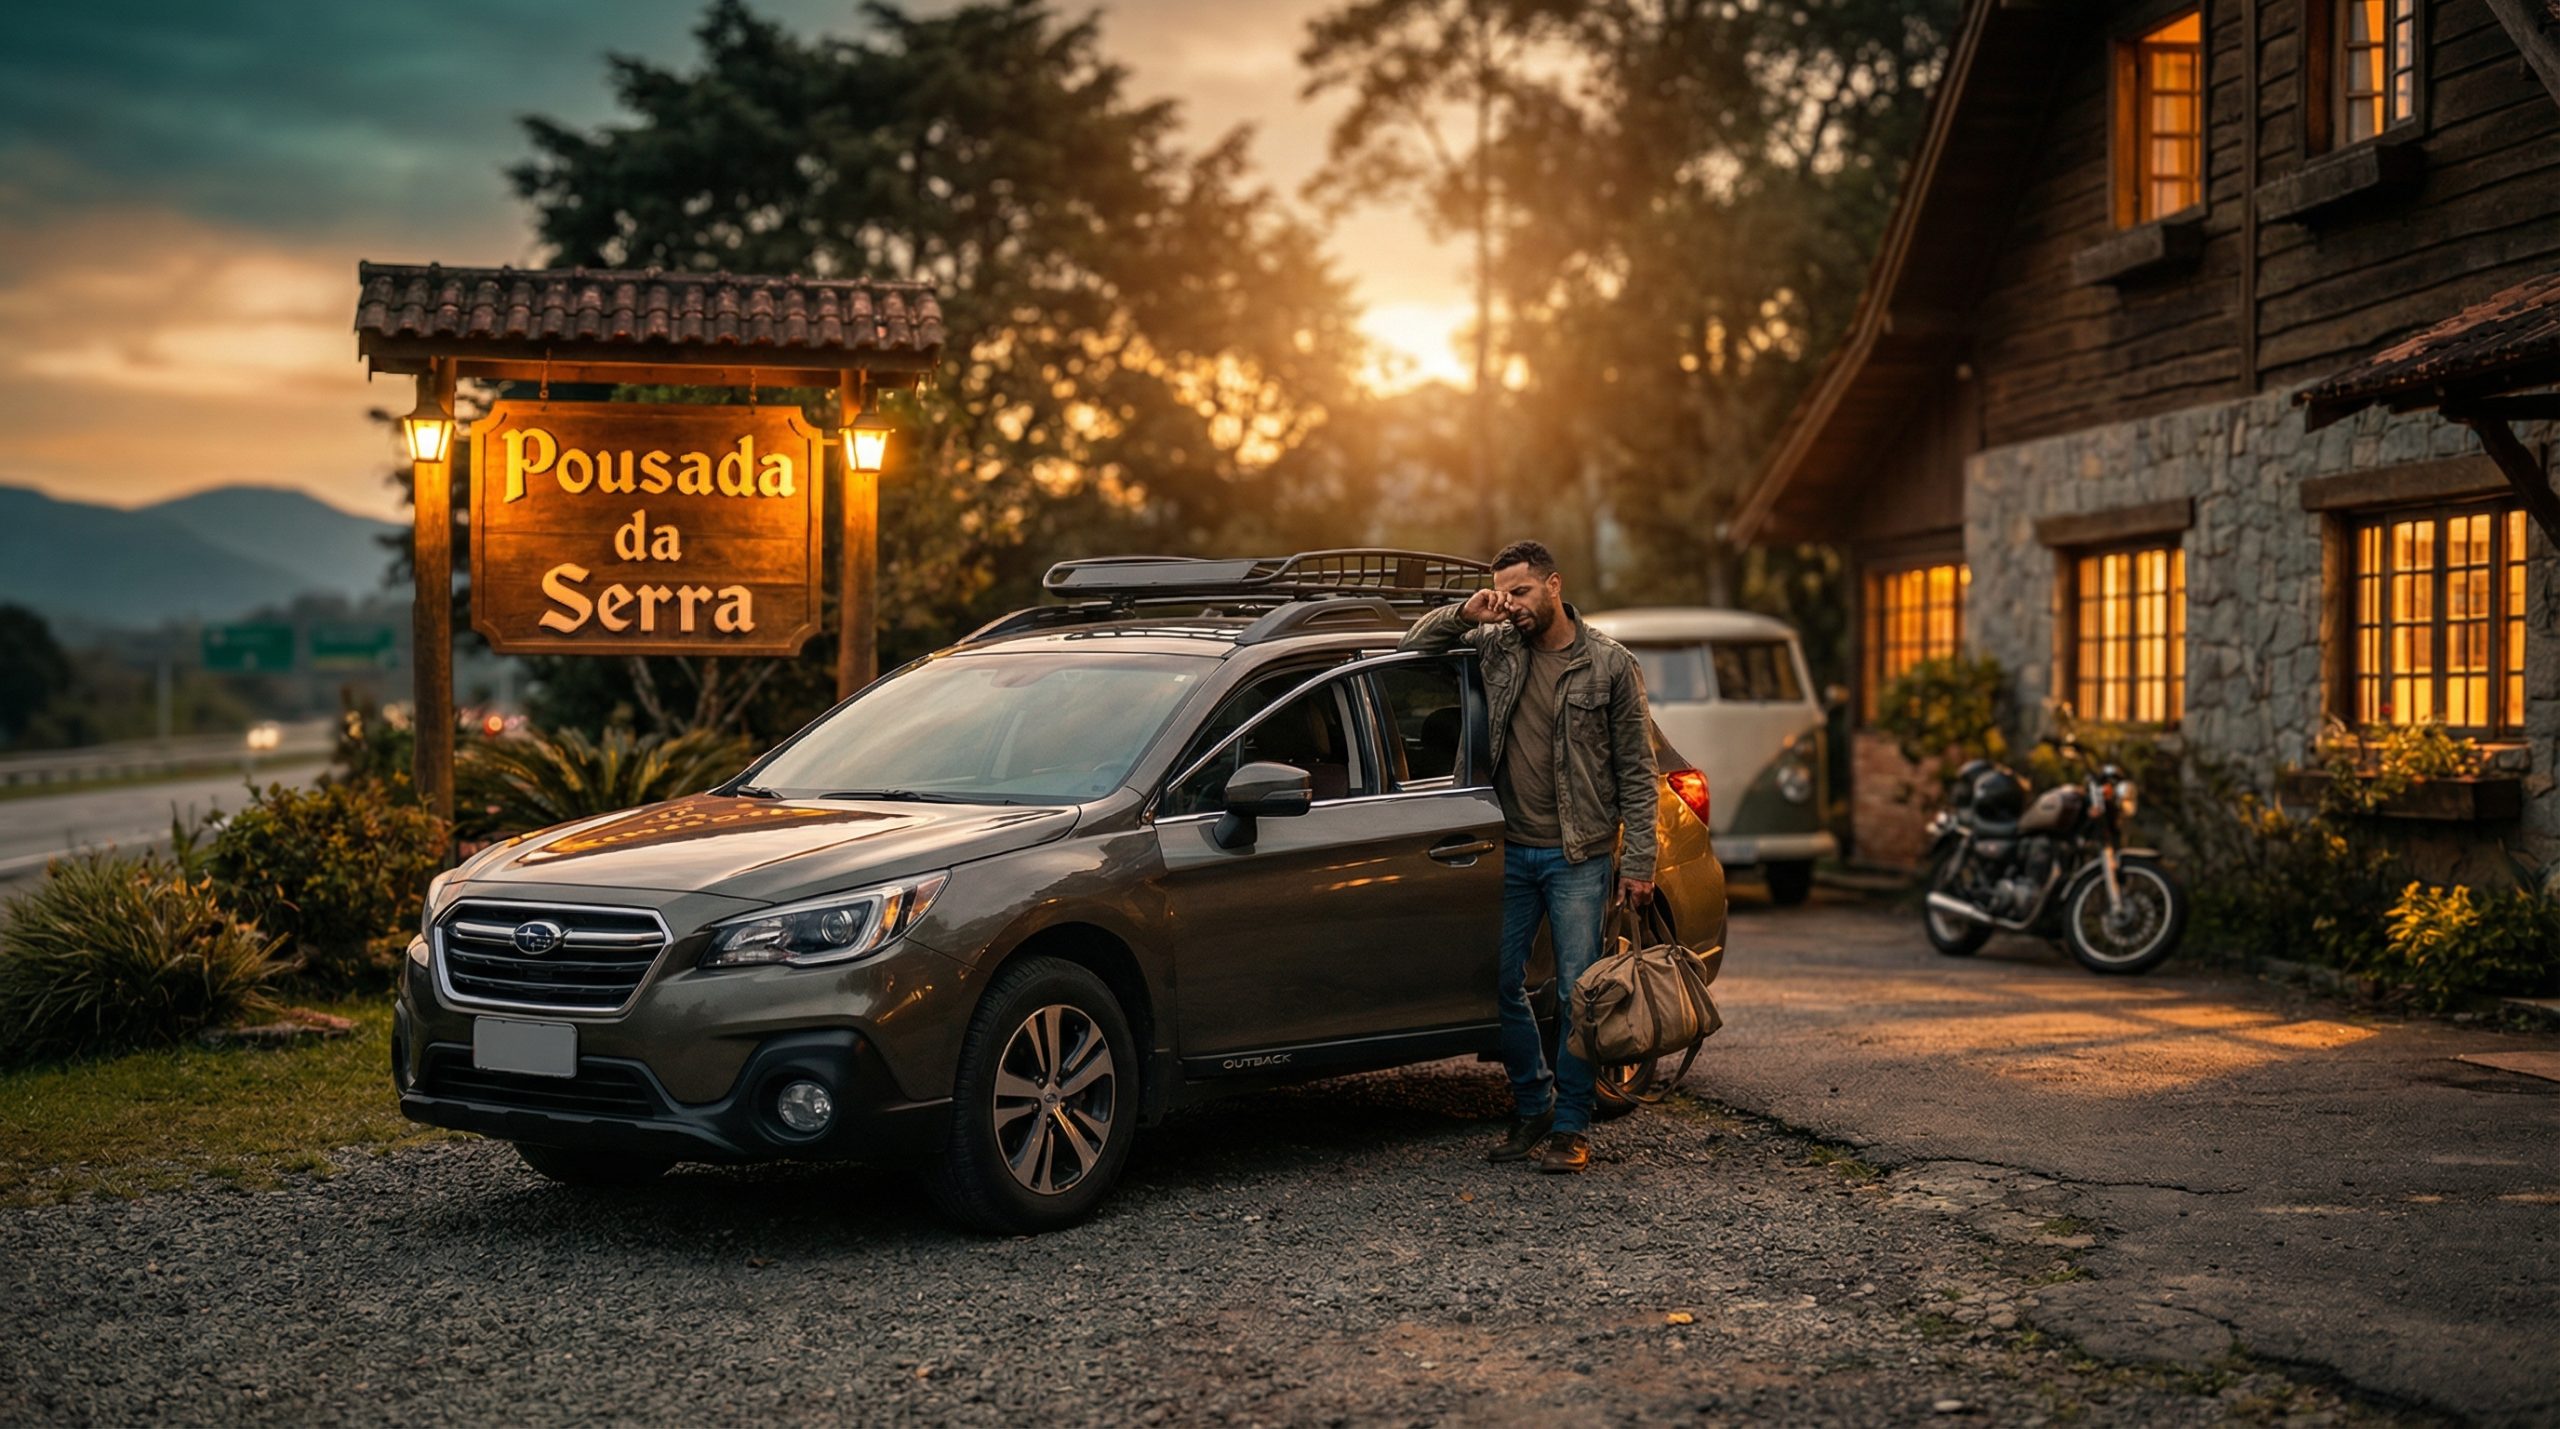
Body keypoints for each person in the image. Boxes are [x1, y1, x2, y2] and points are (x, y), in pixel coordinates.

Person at [1401, 539, 1658, 1173]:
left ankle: (1572, 1126)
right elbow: (1414, 647)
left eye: (1520, 592)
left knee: (1577, 995)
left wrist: (1640, 863)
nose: (1511, 605)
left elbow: (1638, 768)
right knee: (1503, 985)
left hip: (1580, 855)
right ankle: (1533, 1105)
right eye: (1503, 593)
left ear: (1553, 585)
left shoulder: (1609, 665)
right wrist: (1468, 612)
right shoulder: (1497, 645)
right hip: (1510, 850)